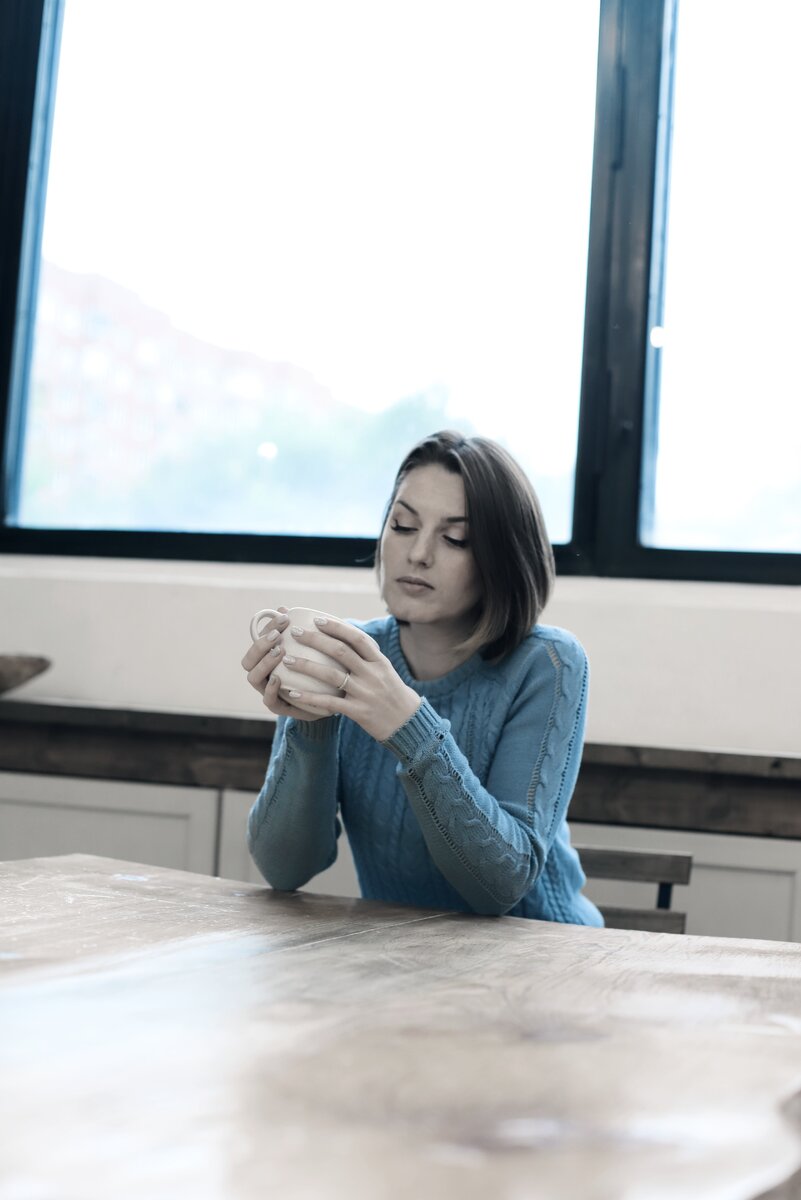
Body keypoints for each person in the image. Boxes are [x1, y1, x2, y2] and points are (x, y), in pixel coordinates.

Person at [241, 430, 602, 925]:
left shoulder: (548, 664)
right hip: (403, 956)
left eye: (455, 538)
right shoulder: (346, 656)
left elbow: (501, 888)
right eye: (403, 525)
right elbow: (284, 871)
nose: (418, 554)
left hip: (542, 953)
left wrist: (409, 727)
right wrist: (311, 726)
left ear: (501, 558)